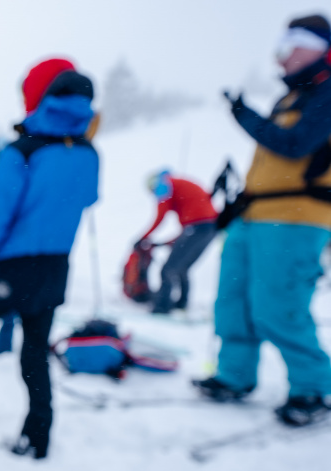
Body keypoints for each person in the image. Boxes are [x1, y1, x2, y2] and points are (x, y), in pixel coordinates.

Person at [0, 58, 99, 459]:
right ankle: (38, 435)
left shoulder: (23, 150)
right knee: (34, 352)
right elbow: (87, 199)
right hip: (55, 269)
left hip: (11, 270)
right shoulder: (89, 152)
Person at [194, 14, 331, 426]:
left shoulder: (326, 94)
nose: (281, 57)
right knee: (232, 302)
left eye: (291, 47)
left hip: (297, 218)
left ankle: (314, 387)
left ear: (317, 48)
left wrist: (242, 113)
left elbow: (294, 145)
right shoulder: (289, 99)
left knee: (279, 305)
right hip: (255, 214)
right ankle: (234, 375)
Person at [137, 170, 218, 314]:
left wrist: (143, 237)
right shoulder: (175, 183)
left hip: (197, 228)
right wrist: (168, 241)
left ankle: (162, 307)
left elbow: (160, 216)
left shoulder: (163, 186)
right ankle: (182, 304)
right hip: (210, 228)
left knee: (168, 269)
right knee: (182, 267)